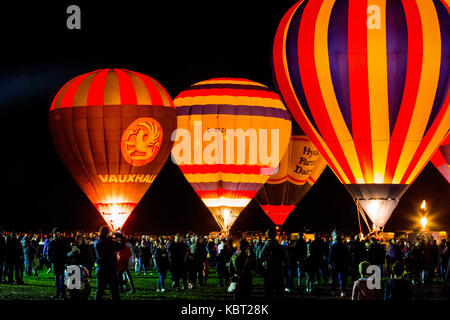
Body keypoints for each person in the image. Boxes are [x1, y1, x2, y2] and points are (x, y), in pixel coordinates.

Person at [93, 226, 125, 301]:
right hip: (111, 269)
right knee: (114, 291)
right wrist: (120, 236)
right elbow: (121, 246)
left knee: (100, 290)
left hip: (101, 268)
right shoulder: (110, 242)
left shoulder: (96, 242)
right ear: (107, 233)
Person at [260, 229, 286, 300]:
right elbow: (285, 258)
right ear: (275, 235)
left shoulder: (264, 247)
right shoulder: (281, 247)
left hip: (269, 270)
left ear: (267, 236)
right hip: (278, 269)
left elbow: (260, 257)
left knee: (269, 290)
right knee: (279, 290)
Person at [47, 228, 70, 299]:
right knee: (57, 279)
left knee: (62, 279)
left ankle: (62, 294)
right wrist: (50, 260)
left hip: (62, 262)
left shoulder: (63, 241)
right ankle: (57, 293)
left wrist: (66, 260)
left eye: (58, 234)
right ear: (53, 234)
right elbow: (49, 252)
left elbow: (67, 250)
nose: (57, 235)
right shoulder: (51, 242)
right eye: (56, 234)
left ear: (60, 234)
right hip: (55, 263)